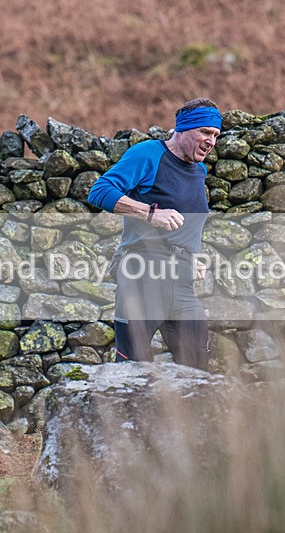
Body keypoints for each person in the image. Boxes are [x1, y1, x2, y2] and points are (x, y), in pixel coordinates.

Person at [87, 98, 221, 370]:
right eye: (205, 132)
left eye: (216, 135)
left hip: (181, 280)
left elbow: (185, 221)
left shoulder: (199, 170)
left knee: (197, 365)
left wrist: (189, 255)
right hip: (142, 274)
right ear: (183, 129)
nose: (211, 141)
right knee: (132, 366)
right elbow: (100, 191)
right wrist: (150, 213)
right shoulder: (148, 154)